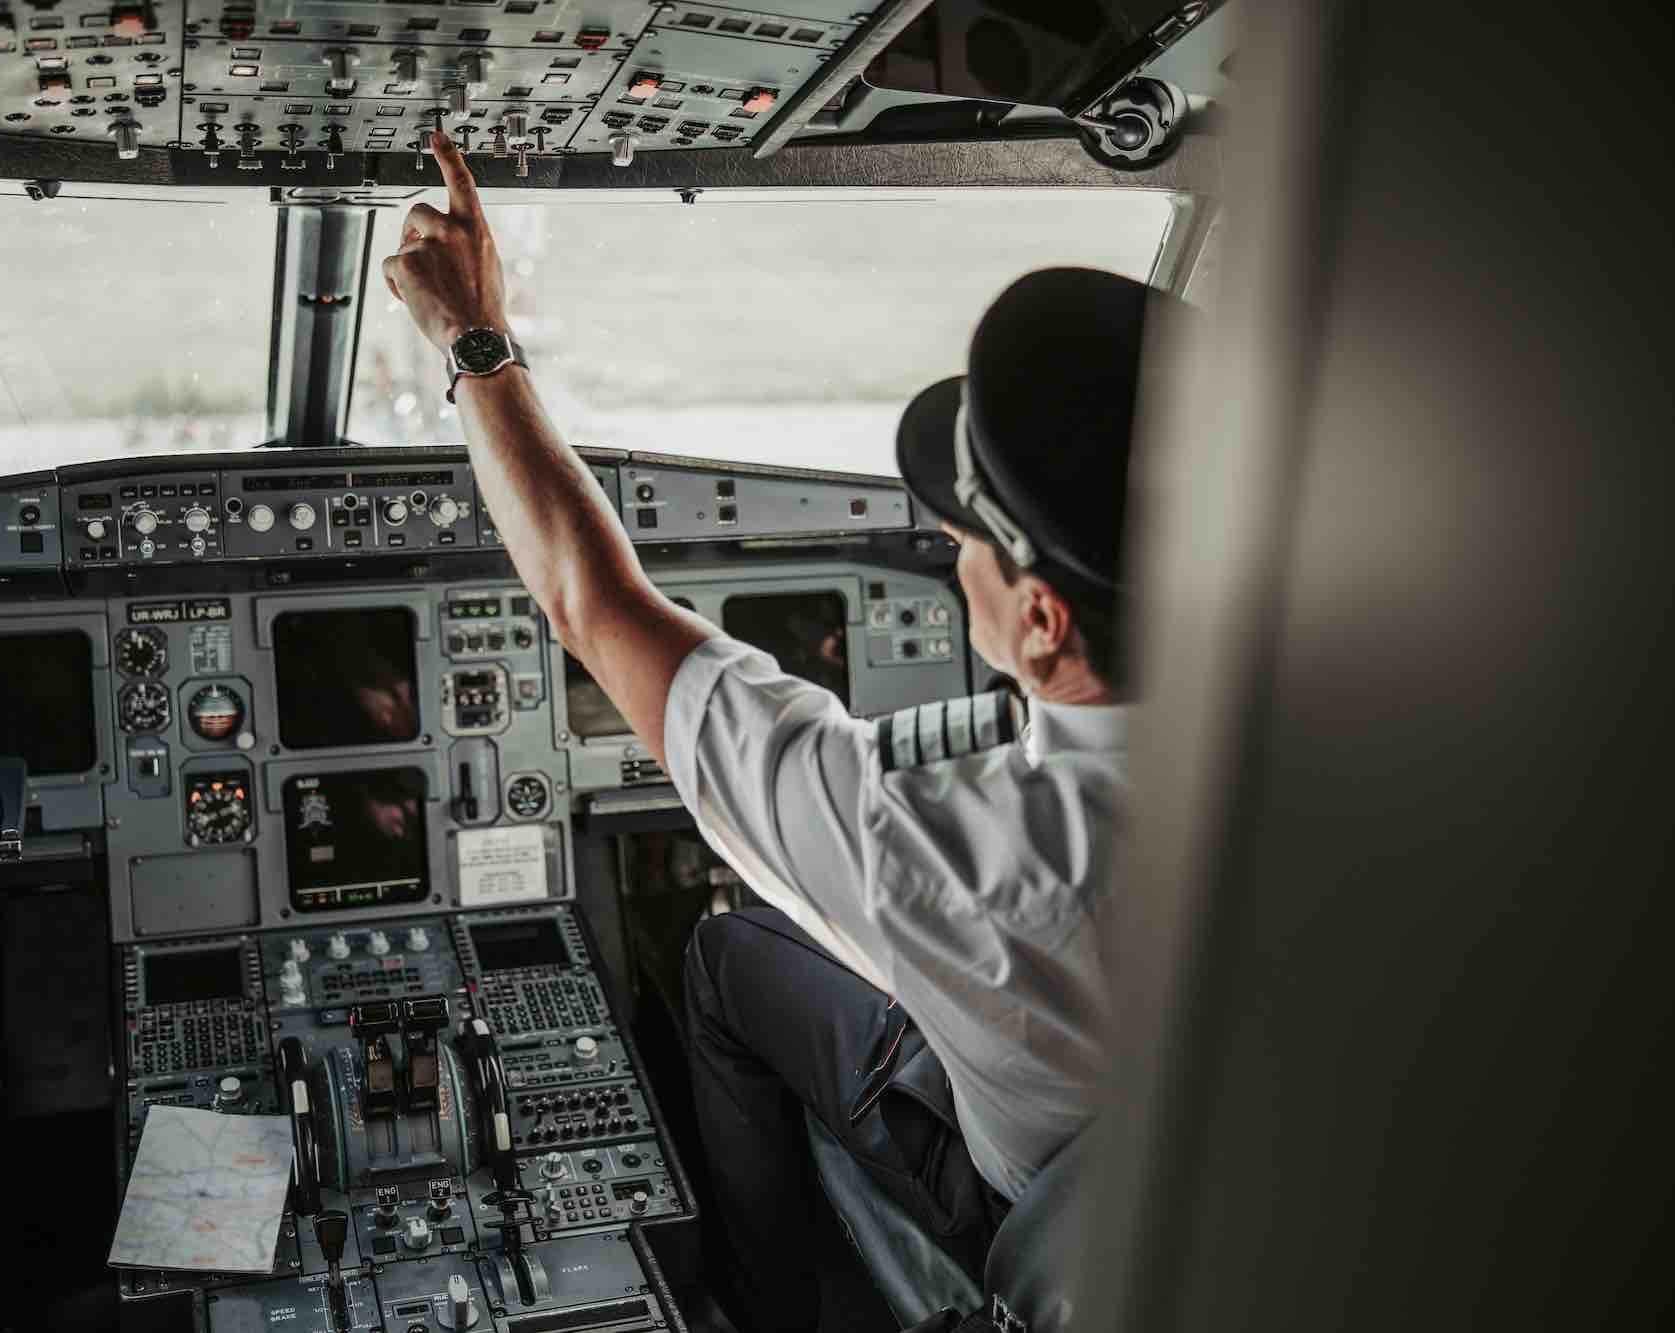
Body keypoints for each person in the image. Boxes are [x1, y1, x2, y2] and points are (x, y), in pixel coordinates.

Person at [383, 133, 1166, 1331]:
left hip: (1070, 1242)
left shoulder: (958, 858)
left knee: (721, 957)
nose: (948, 556)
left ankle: (753, 1305)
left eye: (966, 539)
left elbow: (591, 605)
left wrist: (470, 338)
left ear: (1044, 624)